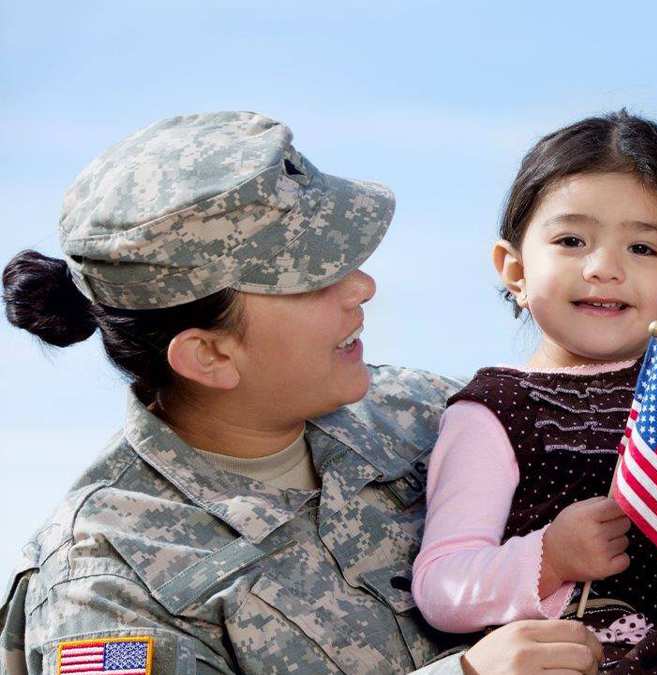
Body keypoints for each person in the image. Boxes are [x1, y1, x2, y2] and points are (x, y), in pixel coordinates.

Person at [0, 111, 603, 675]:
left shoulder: (429, 413)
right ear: (208, 354)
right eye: (314, 279)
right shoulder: (105, 577)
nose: (362, 286)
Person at [411, 111, 657, 673]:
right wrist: (550, 557)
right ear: (515, 269)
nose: (603, 268)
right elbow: (441, 584)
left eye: (642, 249)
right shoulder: (493, 412)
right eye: (572, 240)